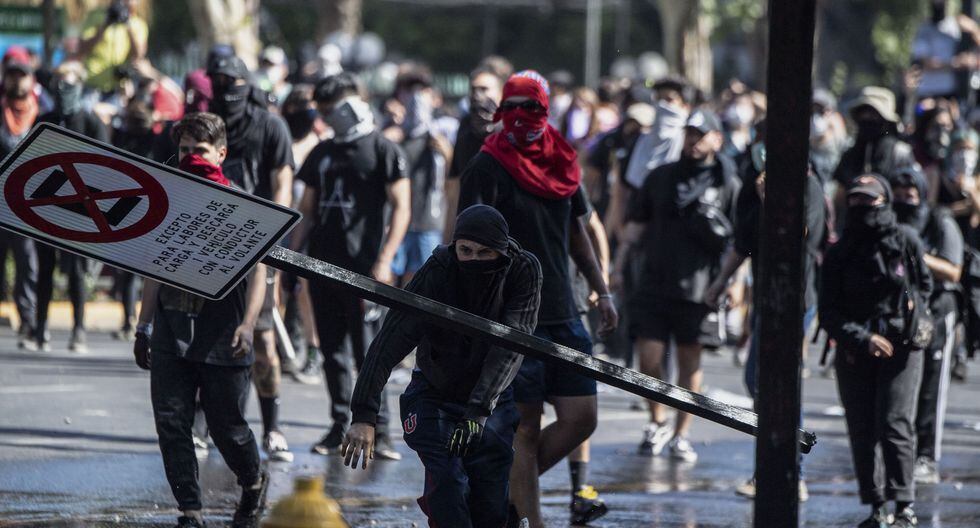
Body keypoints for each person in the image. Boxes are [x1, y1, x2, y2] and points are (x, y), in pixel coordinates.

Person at [458, 71, 618, 528]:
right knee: (523, 427)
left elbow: (576, 233)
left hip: (564, 311)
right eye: (515, 108)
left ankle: (497, 489)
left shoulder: (563, 160)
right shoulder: (486, 166)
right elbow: (464, 243)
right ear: (502, 111)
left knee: (581, 418)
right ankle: (528, 520)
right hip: (511, 317)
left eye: (534, 109)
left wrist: (602, 288)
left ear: (546, 112)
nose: (523, 119)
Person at [342, 204, 542, 528]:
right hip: (433, 392)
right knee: (448, 485)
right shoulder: (440, 268)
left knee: (489, 506)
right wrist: (364, 414)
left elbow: (510, 347)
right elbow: (390, 339)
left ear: (501, 253)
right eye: (465, 250)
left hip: (490, 399)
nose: (473, 260)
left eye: (484, 253)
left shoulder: (522, 270)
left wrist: (478, 411)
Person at [134, 112, 267, 528]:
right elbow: (154, 265)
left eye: (201, 151)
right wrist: (143, 326)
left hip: (223, 330)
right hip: (173, 328)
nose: (192, 157)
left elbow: (262, 271)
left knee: (228, 427)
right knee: (172, 423)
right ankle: (190, 510)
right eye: (186, 150)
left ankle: (253, 481)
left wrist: (248, 325)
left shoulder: (242, 205)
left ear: (222, 154)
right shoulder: (167, 201)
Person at [290, 72, 411, 459]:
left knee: (370, 353)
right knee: (332, 352)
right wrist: (292, 258)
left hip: (365, 272)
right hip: (323, 266)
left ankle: (382, 430)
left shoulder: (383, 150)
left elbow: (402, 207)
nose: (327, 116)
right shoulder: (321, 153)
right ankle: (339, 423)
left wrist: (385, 259)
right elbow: (306, 211)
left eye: (332, 108)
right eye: (322, 111)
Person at [611, 109, 740, 462]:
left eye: (702, 134)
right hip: (653, 284)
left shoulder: (727, 183)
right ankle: (657, 421)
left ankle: (682, 434)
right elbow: (636, 225)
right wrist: (618, 267)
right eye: (689, 134)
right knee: (649, 359)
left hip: (700, 290)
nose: (694, 141)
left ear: (718, 140)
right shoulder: (661, 177)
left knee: (689, 366)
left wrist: (734, 283)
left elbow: (739, 242)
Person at [704, 142, 826, 502]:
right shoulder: (751, 188)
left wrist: (772, 198)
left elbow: (802, 235)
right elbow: (743, 243)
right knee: (755, 378)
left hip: (795, 298)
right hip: (766, 298)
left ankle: (790, 474)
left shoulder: (809, 186)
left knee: (780, 382)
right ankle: (771, 466)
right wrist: (720, 282)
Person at [820, 174, 932, 528]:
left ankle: (904, 505)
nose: (863, 208)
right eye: (856, 201)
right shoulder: (839, 252)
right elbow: (828, 312)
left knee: (895, 422)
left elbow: (924, 286)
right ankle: (876, 505)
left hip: (903, 348)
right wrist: (861, 338)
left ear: (885, 203)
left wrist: (913, 324)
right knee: (862, 429)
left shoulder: (905, 240)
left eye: (870, 201)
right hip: (857, 350)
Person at [207, 54, 296, 462]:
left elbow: (283, 183)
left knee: (262, 338)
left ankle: (273, 426)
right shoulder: (209, 124)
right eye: (217, 81)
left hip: (258, 246)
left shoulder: (270, 125)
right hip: (213, 242)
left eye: (231, 81)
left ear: (246, 83)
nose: (224, 89)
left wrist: (271, 237)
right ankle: (203, 424)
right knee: (205, 334)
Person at [888, 168, 963, 486]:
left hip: (936, 311)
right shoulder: (889, 220)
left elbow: (953, 271)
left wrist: (915, 251)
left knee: (932, 388)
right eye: (900, 191)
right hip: (900, 312)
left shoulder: (939, 220)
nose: (907, 197)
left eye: (912, 191)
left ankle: (927, 456)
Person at [35, 61, 108, 353]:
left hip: (79, 207)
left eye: (70, 82)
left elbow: (105, 165)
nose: (63, 89)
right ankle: (40, 328)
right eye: (59, 83)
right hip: (46, 204)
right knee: (45, 267)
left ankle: (78, 329)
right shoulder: (46, 119)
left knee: (77, 271)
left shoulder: (91, 122)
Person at [391, 69, 453, 284]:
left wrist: (446, 152)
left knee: (420, 283)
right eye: (409, 90)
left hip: (428, 222)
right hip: (396, 223)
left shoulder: (441, 133)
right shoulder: (393, 135)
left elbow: (453, 178)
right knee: (386, 279)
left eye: (422, 90)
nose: (416, 96)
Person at [0, 46, 40, 350]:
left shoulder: (43, 113)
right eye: (12, 74)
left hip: (26, 206)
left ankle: (28, 322)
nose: (17, 81)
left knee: (27, 264)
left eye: (22, 75)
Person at [444, 65, 505, 241]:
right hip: (468, 230)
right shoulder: (464, 127)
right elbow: (455, 185)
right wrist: (448, 239)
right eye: (473, 89)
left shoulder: (510, 130)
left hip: (501, 231)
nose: (477, 95)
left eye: (484, 89)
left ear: (501, 93)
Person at [833, 87, 916, 194]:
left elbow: (908, 192)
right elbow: (840, 191)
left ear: (886, 121)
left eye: (873, 114)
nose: (867, 118)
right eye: (863, 113)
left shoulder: (900, 153)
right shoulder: (850, 153)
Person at [76, 0, 148, 95]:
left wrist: (128, 25)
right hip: (92, 85)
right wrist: (105, 25)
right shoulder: (95, 16)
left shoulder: (138, 24)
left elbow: (138, 55)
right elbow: (82, 48)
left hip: (119, 87)